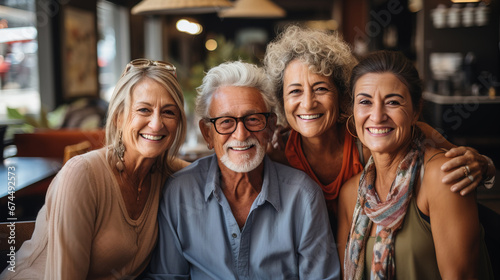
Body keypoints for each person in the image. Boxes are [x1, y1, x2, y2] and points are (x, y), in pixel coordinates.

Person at [263, 25, 496, 231]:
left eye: (321, 88)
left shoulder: (370, 135)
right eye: (295, 91)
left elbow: (463, 159)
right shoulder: (278, 155)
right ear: (281, 99)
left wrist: (484, 165)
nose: (308, 103)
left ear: (343, 96)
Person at [145, 61, 339, 279]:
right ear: (207, 134)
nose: (241, 135)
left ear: (271, 127)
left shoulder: (303, 197)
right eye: (226, 122)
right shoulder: (179, 193)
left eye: (253, 119)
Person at [0, 59, 190, 279]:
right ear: (119, 118)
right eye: (144, 110)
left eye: (168, 112)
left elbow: (213, 175)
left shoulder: (168, 173)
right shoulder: (82, 174)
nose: (156, 124)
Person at [337, 50, 493, 279]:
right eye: (365, 102)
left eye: (392, 102)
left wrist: (488, 166)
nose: (377, 115)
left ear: (415, 110)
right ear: (352, 110)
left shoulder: (442, 176)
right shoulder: (350, 194)